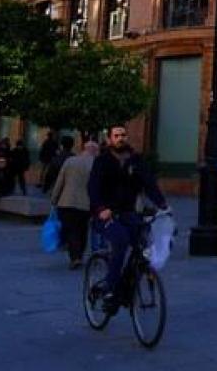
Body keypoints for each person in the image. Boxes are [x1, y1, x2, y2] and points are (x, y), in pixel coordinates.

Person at [88, 124, 168, 314]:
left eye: (123, 135)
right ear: (109, 139)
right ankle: (109, 287)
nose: (120, 138)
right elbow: (93, 187)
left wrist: (163, 205)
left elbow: (149, 183)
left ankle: (127, 284)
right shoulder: (102, 161)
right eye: (116, 135)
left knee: (143, 243)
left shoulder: (135, 160)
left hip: (128, 213)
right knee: (121, 240)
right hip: (106, 214)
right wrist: (101, 208)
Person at [49, 137, 96, 269]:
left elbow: (60, 181)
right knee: (82, 229)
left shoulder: (70, 161)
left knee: (71, 229)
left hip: (66, 202)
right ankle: (79, 254)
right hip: (85, 204)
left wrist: (54, 198)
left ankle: (74, 256)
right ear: (95, 151)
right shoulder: (96, 164)